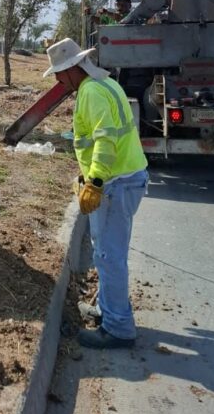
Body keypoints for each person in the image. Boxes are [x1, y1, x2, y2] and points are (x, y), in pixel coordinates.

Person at [44, 38, 148, 348]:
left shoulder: (91, 92)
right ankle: (107, 309)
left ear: (72, 69)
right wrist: (87, 175)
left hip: (116, 182)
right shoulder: (106, 83)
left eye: (59, 73)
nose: (59, 80)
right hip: (124, 178)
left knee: (109, 256)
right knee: (105, 251)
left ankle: (118, 328)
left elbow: (105, 140)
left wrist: (96, 182)